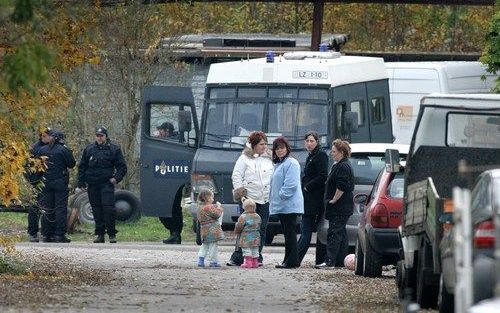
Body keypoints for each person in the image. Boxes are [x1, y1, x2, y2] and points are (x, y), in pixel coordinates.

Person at [228, 131, 273, 266]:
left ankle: (257, 256)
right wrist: (242, 195)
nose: (264, 147)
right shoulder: (244, 158)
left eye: (265, 144)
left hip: (265, 199)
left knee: (262, 229)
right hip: (250, 200)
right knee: (245, 228)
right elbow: (236, 176)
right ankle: (237, 257)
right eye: (261, 144)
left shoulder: (269, 158)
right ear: (253, 145)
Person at [77, 126, 127, 243]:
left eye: (101, 136)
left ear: (106, 136)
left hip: (106, 184)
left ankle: (111, 234)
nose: (99, 138)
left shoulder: (114, 149)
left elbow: (122, 167)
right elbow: (82, 166)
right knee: (96, 210)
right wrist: (81, 182)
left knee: (108, 209)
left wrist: (116, 178)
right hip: (93, 184)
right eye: (97, 136)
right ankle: (100, 234)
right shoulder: (89, 149)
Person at [316, 139, 354, 268]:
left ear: (341, 152)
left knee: (334, 233)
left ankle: (330, 261)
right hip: (342, 207)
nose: (332, 154)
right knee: (341, 233)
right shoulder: (340, 164)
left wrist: (334, 199)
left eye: (334, 152)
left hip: (339, 207)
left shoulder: (343, 166)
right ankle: (340, 261)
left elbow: (341, 186)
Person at [269, 136, 304, 269]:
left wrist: (282, 195)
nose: (279, 150)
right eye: (277, 148)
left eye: (282, 148)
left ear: (287, 148)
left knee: (290, 234)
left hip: (289, 205)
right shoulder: (279, 164)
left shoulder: (292, 163)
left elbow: (291, 184)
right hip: (282, 205)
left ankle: (292, 261)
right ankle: (287, 260)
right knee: (287, 234)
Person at [37, 129, 76, 243]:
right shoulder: (64, 150)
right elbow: (71, 164)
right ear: (60, 138)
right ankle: (59, 235)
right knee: (60, 209)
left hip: (46, 182)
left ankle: (46, 234)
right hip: (60, 183)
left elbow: (38, 167)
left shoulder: (42, 150)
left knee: (47, 209)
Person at [297, 131, 328, 266]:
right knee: (307, 231)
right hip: (309, 199)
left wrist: (307, 187)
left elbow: (322, 176)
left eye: (312, 141)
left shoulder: (320, 155)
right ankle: (299, 258)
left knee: (306, 231)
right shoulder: (311, 155)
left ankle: (295, 259)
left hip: (314, 200)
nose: (309, 144)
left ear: (317, 142)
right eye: (307, 141)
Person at [25, 126, 52, 242]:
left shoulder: (51, 147)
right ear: (42, 136)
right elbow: (26, 166)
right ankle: (33, 232)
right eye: (47, 135)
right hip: (38, 181)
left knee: (47, 206)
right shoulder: (35, 149)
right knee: (35, 207)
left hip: (49, 181)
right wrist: (33, 180)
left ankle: (47, 233)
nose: (50, 138)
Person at [196, 189, 224, 268]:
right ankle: (213, 262)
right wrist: (219, 207)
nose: (213, 199)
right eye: (212, 197)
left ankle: (201, 260)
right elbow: (217, 215)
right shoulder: (209, 207)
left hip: (204, 229)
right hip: (212, 230)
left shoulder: (199, 207)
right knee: (213, 246)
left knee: (204, 245)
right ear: (207, 198)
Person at [234, 198, 261, 269]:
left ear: (244, 207)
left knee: (247, 249)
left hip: (246, 235)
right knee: (255, 248)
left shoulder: (243, 217)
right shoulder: (258, 216)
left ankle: (248, 263)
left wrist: (237, 231)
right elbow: (259, 224)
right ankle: (255, 262)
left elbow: (239, 226)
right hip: (256, 235)